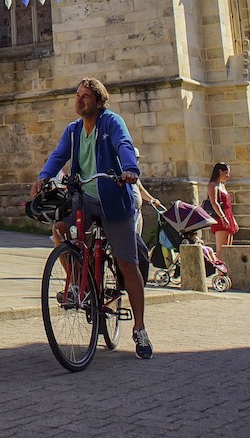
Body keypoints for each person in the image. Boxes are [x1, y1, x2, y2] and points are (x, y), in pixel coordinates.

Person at [33, 77, 153, 361]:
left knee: (127, 262)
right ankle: (77, 281)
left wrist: (130, 169)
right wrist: (43, 177)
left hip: (113, 199)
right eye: (77, 95)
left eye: (86, 96)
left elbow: (124, 145)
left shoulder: (111, 124)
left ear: (99, 102)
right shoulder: (74, 131)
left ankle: (140, 327)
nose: (79, 100)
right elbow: (58, 155)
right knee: (61, 228)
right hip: (83, 198)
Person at [206, 162, 238, 259]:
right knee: (221, 250)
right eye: (226, 173)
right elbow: (214, 202)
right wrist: (223, 217)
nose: (228, 176)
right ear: (220, 171)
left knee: (228, 249)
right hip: (220, 219)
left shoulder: (222, 186)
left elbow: (228, 206)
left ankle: (226, 272)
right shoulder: (212, 185)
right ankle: (220, 272)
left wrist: (233, 220)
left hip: (228, 218)